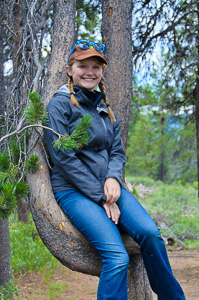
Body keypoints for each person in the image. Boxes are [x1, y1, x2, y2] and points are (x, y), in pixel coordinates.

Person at [44, 40, 186, 300]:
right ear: (69, 69)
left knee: (152, 235)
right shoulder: (59, 105)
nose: (90, 72)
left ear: (102, 71)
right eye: (82, 66)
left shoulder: (105, 109)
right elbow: (63, 158)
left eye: (96, 66)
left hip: (108, 187)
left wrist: (112, 178)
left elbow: (117, 152)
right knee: (117, 256)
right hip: (74, 191)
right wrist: (101, 197)